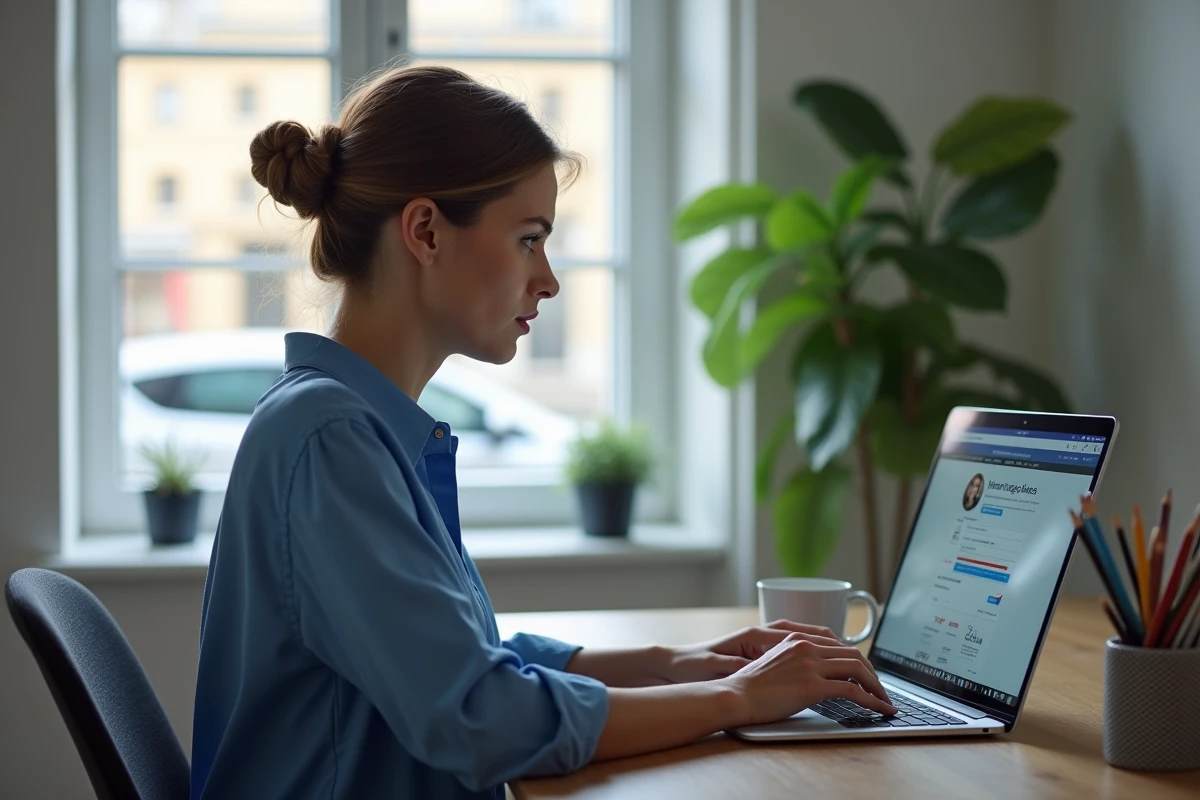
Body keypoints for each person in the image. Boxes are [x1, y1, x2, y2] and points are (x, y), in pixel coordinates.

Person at [189, 65, 895, 800]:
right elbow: (482, 719)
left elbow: (469, 662)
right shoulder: (331, 439)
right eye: (529, 239)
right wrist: (741, 701)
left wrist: (677, 663)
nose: (549, 278)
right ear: (425, 231)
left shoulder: (350, 424)